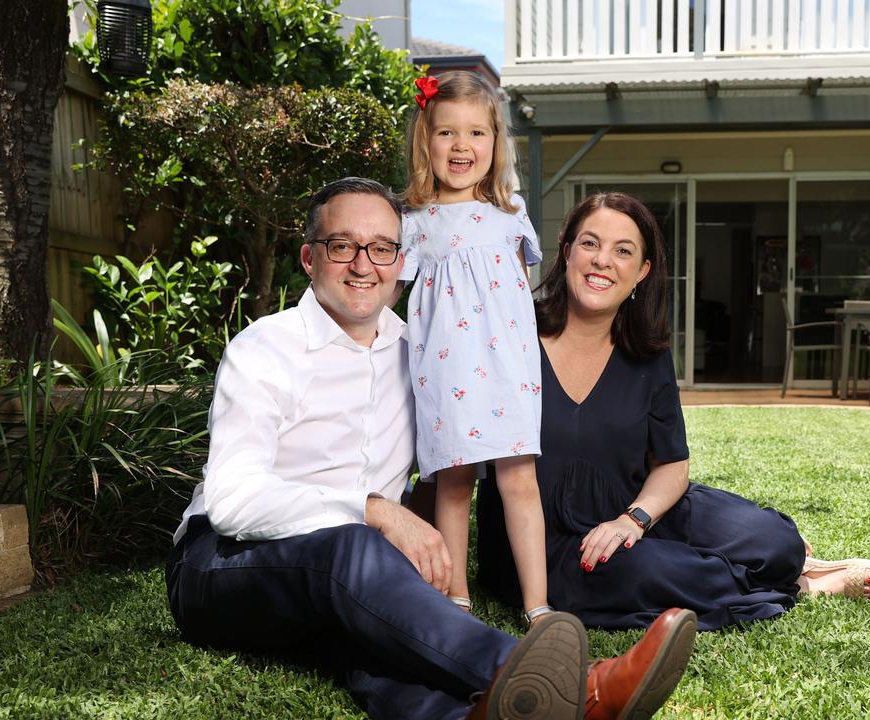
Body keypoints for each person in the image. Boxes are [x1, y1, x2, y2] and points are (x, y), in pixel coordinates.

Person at [165, 178, 700, 720]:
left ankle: (476, 714)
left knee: (378, 643)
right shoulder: (265, 349)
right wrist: (375, 513)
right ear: (309, 258)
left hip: (340, 582)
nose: (362, 265)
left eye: (381, 249)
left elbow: (449, 469)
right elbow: (233, 501)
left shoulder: (422, 355)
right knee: (356, 549)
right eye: (341, 246)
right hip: (222, 566)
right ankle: (579, 688)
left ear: (403, 260)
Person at [476, 192, 870, 631]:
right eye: (590, 243)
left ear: (642, 273)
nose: (603, 261)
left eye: (623, 251)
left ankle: (789, 563)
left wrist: (632, 520)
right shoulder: (514, 334)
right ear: (566, 253)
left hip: (636, 507)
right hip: (553, 541)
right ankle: (803, 585)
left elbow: (672, 466)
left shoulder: (647, 355)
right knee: (654, 574)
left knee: (774, 541)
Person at [398, 71, 550, 622]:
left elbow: (517, 292)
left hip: (508, 366)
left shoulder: (511, 211)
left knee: (519, 479)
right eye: (446, 133)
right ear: (426, 140)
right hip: (447, 370)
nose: (462, 146)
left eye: (476, 133)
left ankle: (539, 605)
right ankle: (456, 598)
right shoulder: (414, 221)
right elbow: (392, 295)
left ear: (495, 142)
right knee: (455, 481)